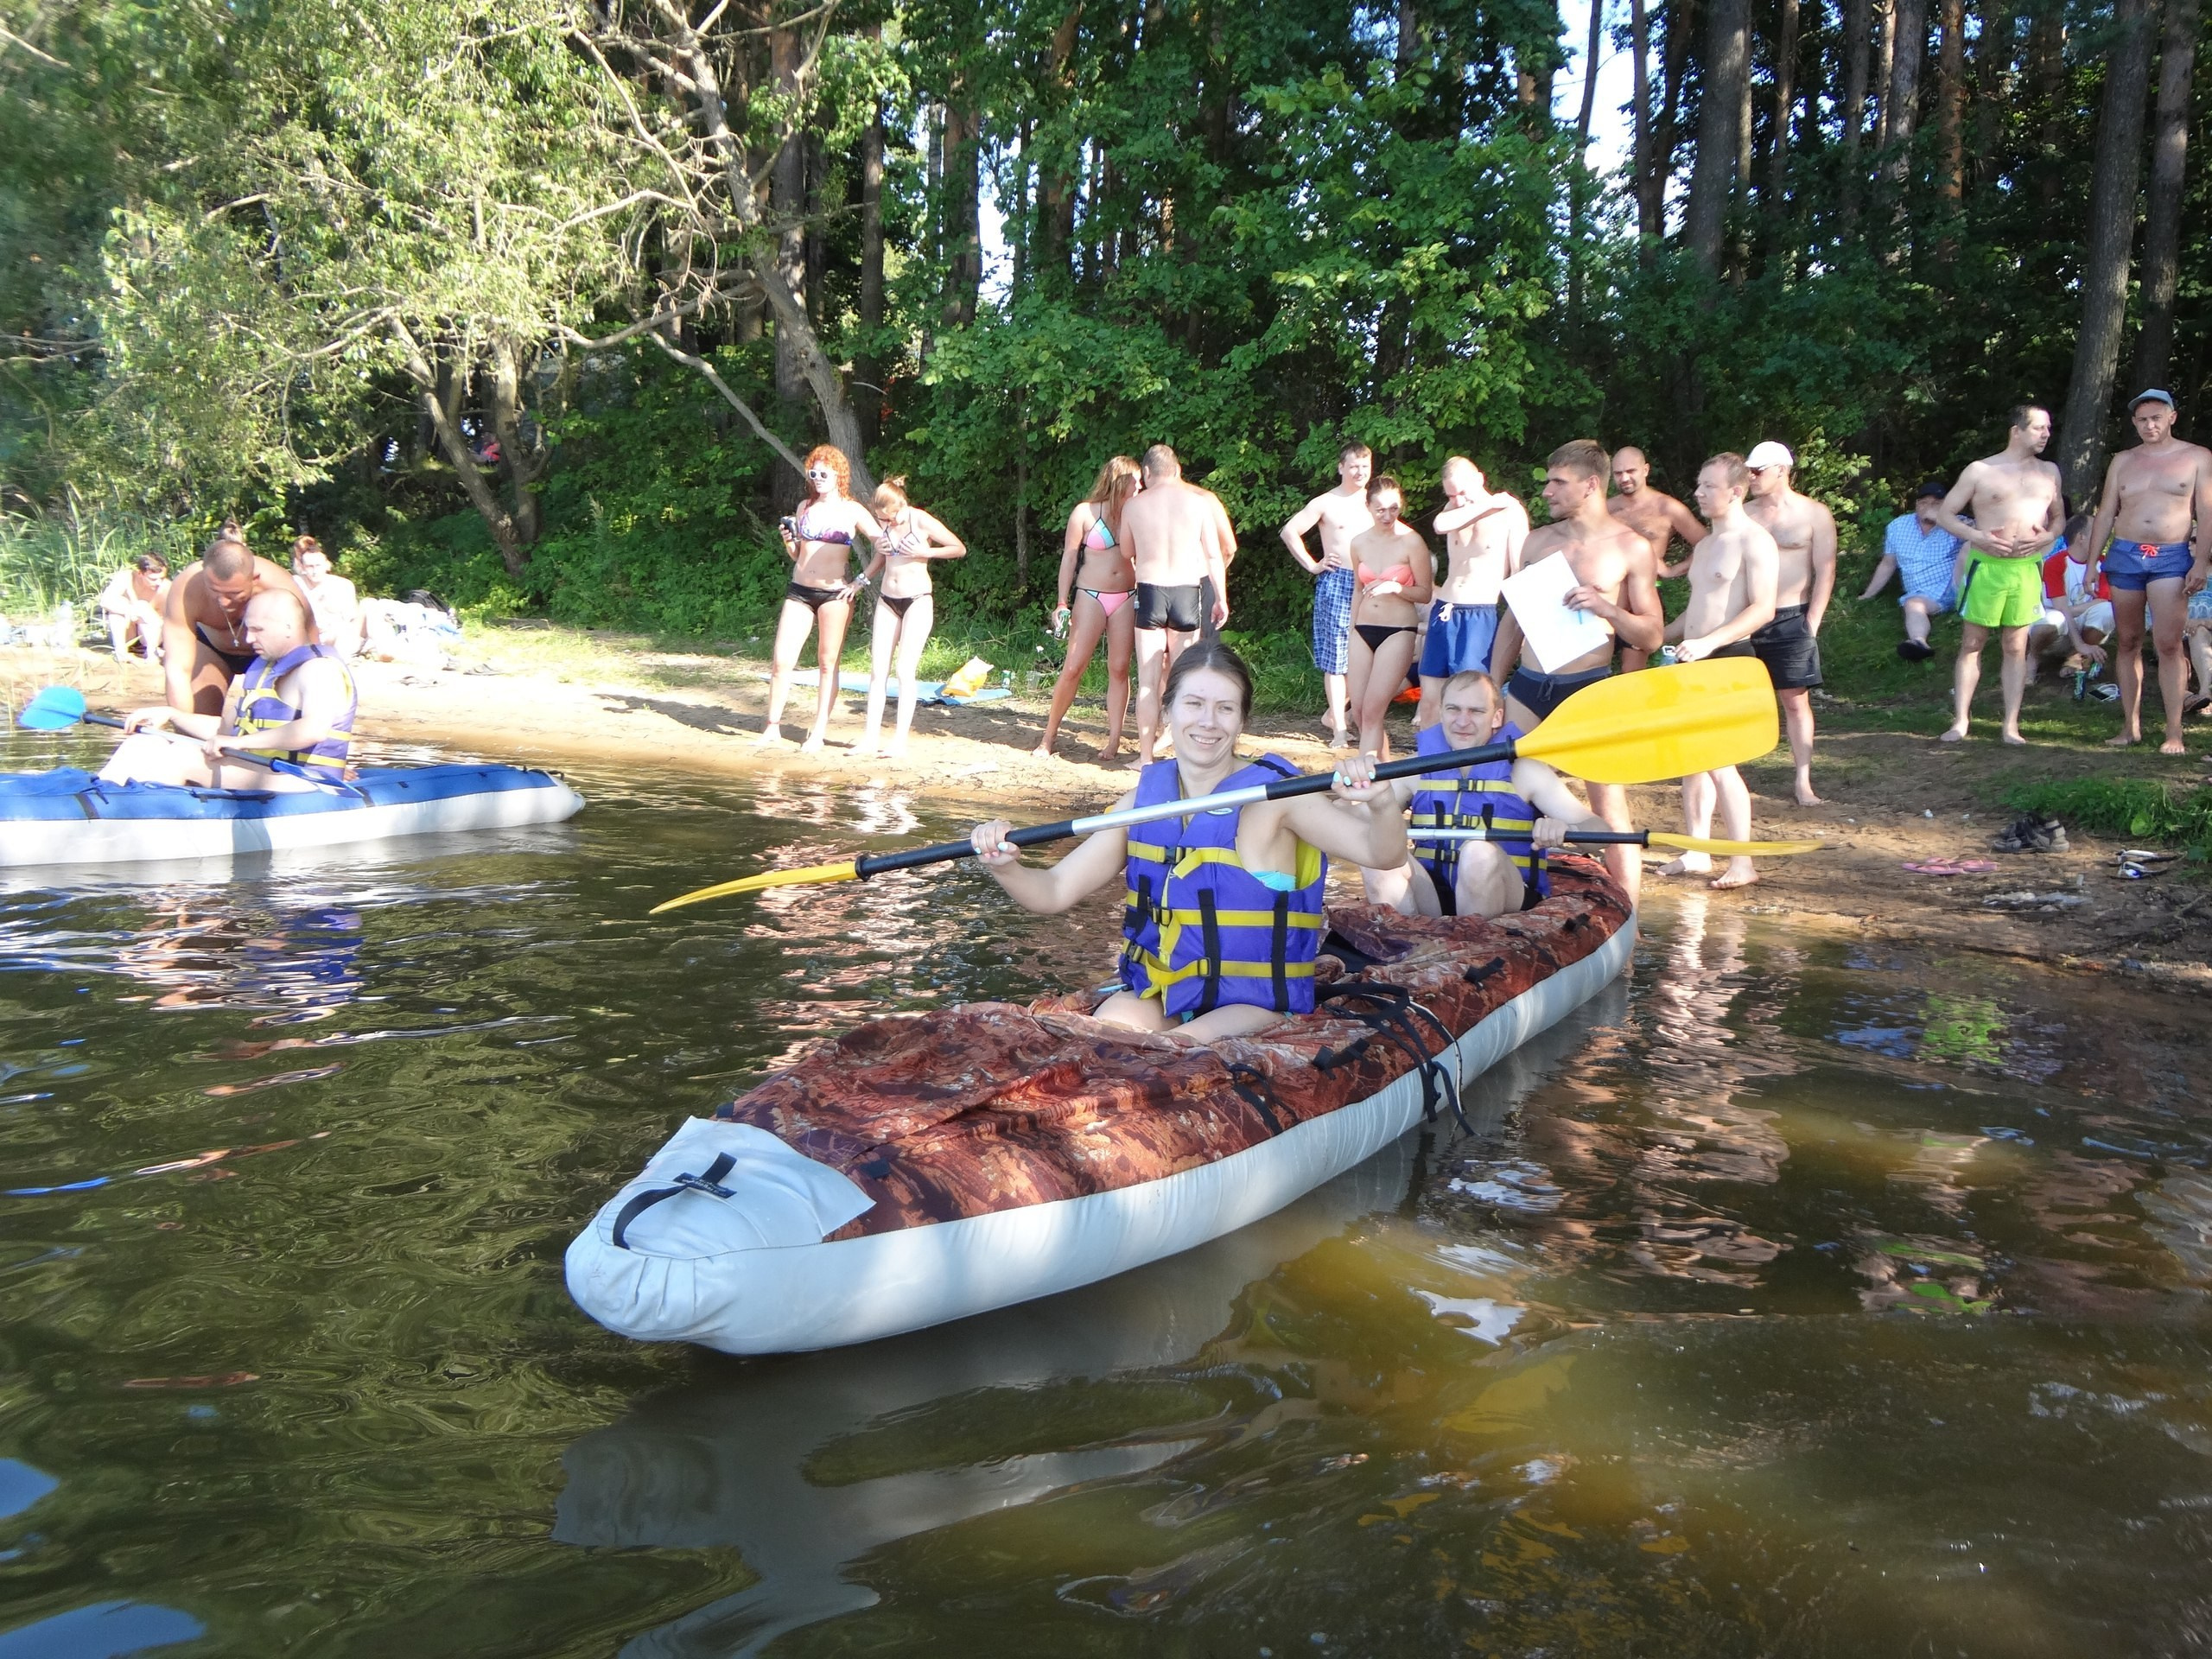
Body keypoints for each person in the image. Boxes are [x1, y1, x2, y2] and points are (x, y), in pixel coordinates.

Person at [969, 641, 1405, 1046]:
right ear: (1167, 712)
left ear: (1242, 720)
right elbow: (1054, 892)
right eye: (1194, 704)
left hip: (1254, 1005)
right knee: (1107, 1033)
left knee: (1184, 1048)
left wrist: (1382, 803)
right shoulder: (1141, 803)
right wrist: (1006, 866)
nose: (1208, 722)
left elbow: (1384, 854)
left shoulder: (1278, 799)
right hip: (1165, 995)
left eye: (1225, 708)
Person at [1490, 439, 1663, 906]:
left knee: (1607, 804)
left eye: (1557, 482)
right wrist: (1492, 681)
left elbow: (1651, 635)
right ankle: (1511, 898)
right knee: (1504, 790)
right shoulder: (1538, 542)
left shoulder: (1631, 548)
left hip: (1587, 689)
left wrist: (1607, 607)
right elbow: (1513, 620)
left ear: (1591, 485)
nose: (1546, 491)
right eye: (1547, 481)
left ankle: (1626, 919)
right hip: (1527, 686)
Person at [1357, 670, 1604, 918]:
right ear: (1441, 712)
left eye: (1476, 711)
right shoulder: (1416, 768)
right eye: (1454, 709)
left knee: (1478, 852)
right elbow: (1354, 821)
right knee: (1377, 853)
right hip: (1432, 893)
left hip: (1505, 895)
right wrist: (1353, 795)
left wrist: (1565, 828)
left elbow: (1600, 831)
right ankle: (1401, 945)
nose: (1463, 721)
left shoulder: (1525, 770)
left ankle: (1473, 948)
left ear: (1496, 717)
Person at [1657, 454, 1780, 891]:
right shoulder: (1706, 546)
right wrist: (1654, 634)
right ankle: (1696, 851)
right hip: (1691, 658)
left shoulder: (1755, 540)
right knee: (1693, 760)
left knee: (1719, 760)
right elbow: (1696, 611)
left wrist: (1710, 642)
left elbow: (1763, 609)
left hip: (1728, 659)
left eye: (1708, 486)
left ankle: (1742, 860)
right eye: (1699, 484)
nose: (1698, 493)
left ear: (1736, 491)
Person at [102, 589, 355, 791]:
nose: (248, 639)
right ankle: (94, 800)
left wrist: (240, 743)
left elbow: (313, 730)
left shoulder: (319, 669)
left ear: (288, 627)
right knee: (144, 744)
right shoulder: (266, 670)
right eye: (248, 628)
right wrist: (171, 714)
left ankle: (126, 818)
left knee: (179, 757)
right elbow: (225, 730)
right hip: (268, 770)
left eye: (258, 630)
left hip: (309, 782)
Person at [2077, 389, 2212, 753]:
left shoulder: (2197, 457)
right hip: (2125, 553)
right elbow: (2106, 512)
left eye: (2156, 417)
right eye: (2142, 419)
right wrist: (2092, 563)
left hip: (2170, 555)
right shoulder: (2123, 460)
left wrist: (2200, 561)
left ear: (2172, 417)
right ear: (2134, 423)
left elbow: (2207, 510)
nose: (2149, 425)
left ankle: (2174, 731)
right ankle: (2129, 726)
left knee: (2168, 643)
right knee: (2128, 641)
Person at [1935, 405, 2065, 746]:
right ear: (2016, 431)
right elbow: (1946, 514)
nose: (2046, 434)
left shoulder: (2050, 471)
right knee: (1973, 642)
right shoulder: (1980, 470)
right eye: (2039, 428)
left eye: (2048, 428)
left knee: (2015, 645)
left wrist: (2048, 537)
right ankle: (1961, 720)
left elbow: (2059, 519)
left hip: (2025, 567)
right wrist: (1978, 536)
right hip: (1987, 565)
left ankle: (2011, 725)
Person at [761, 445, 882, 752]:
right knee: (781, 660)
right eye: (812, 473)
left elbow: (883, 545)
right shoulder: (805, 507)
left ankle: (817, 732)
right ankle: (772, 726)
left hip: (834, 594)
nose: (817, 478)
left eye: (823, 473)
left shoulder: (852, 510)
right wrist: (789, 541)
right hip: (799, 591)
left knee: (827, 664)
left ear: (838, 474)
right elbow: (798, 556)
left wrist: (861, 580)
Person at [1121, 445, 1231, 766]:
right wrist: (1221, 598)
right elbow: (1214, 555)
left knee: (1147, 682)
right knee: (1185, 682)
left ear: (1146, 473)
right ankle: (1185, 754)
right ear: (1178, 470)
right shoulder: (1198, 503)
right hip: (1186, 591)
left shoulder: (1134, 505)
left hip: (1151, 590)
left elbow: (1126, 549)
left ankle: (1145, 758)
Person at [1741, 441, 1837, 805]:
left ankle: (1803, 780)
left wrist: (1813, 620)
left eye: (1758, 470)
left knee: (1795, 701)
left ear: (1782, 469)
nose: (1751, 477)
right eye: (1749, 470)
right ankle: (1735, 777)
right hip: (1748, 615)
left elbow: (1825, 568)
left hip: (1791, 614)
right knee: (1742, 700)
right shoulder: (1744, 514)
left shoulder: (1814, 514)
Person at [1036, 456, 1141, 760]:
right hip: (1091, 594)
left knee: (1119, 668)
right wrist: (1061, 602)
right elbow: (1069, 557)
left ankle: (1114, 741)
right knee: (1073, 666)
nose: (1140, 485)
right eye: (1135, 480)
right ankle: (1048, 736)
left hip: (1125, 595)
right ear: (1119, 480)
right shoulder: (1084, 512)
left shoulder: (1136, 512)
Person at [854, 478, 964, 758]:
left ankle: (899, 741)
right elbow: (881, 558)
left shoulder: (920, 520)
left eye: (888, 518)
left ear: (900, 506)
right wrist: (861, 580)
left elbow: (958, 548)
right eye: (881, 520)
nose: (885, 524)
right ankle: (870, 738)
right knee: (878, 670)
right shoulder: (885, 523)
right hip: (887, 600)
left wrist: (926, 552)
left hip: (917, 600)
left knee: (904, 670)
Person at [156, 534, 319, 718]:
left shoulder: (280, 589)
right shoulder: (187, 588)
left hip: (268, 655)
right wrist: (181, 721)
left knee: (277, 719)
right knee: (195, 718)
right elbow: (177, 668)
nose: (224, 603)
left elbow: (310, 651)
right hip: (213, 649)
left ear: (254, 579)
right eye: (215, 591)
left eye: (234, 594)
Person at [1278, 442, 1376, 748]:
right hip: (1337, 581)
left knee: (1368, 653)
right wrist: (1312, 564)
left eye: (1365, 466)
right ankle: (1340, 732)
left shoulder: (1376, 502)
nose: (1360, 472)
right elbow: (1289, 531)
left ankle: (1345, 716)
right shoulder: (1326, 502)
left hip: (1372, 584)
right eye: (1354, 466)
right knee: (1336, 658)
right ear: (1341, 467)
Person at [1417, 457, 1526, 727]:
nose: (1459, 501)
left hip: (1479, 611)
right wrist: (1487, 503)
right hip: (1444, 608)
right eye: (1452, 495)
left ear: (1479, 479)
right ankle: (1428, 762)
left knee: (1471, 698)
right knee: (1431, 698)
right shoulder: (1455, 510)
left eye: (1463, 493)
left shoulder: (1510, 514)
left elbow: (1519, 573)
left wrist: (1523, 625)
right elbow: (1440, 526)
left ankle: (1470, 764)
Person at [1340, 475, 1433, 761]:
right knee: (1358, 712)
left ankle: (1364, 780)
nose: (1388, 515)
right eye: (1380, 509)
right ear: (1368, 507)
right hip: (1363, 628)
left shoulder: (1411, 542)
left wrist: (1397, 587)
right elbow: (1358, 589)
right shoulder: (1358, 543)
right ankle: (1383, 776)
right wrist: (1351, 627)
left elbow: (1425, 593)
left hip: (1397, 629)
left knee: (1373, 709)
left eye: (1394, 508)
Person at [1606, 446, 1707, 671]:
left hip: (1644, 593)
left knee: (1631, 671)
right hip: (1608, 593)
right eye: (1618, 473)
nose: (1624, 478)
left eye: (1630, 471)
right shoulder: (1607, 509)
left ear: (1645, 470)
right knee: (1595, 663)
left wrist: (1675, 569)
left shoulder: (1666, 507)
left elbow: (1707, 542)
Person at [1860, 481, 1961, 660]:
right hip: (1918, 592)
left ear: (1946, 505)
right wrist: (1868, 595)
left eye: (1936, 503)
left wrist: (1943, 520)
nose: (1928, 507)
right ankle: (1919, 643)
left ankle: (1918, 641)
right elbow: (1888, 563)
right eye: (1923, 503)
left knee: (1914, 603)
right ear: (1916, 505)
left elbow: (1980, 541)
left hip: (1949, 588)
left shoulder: (1960, 524)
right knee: (1914, 602)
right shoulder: (1898, 526)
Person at [289, 537, 361, 658]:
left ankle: (388, 651)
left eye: (318, 565)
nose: (315, 571)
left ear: (327, 565)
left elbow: (351, 619)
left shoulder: (343, 585)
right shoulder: (296, 584)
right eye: (310, 567)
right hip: (315, 638)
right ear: (302, 568)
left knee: (371, 604)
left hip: (343, 634)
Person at [96, 552, 169, 664]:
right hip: (128, 632)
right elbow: (105, 601)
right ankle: (121, 653)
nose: (158, 582)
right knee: (118, 606)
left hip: (152, 635)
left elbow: (172, 620)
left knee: (142, 605)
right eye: (153, 579)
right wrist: (132, 611)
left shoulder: (166, 588)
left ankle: (152, 653)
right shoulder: (126, 578)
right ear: (140, 573)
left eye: (162, 578)